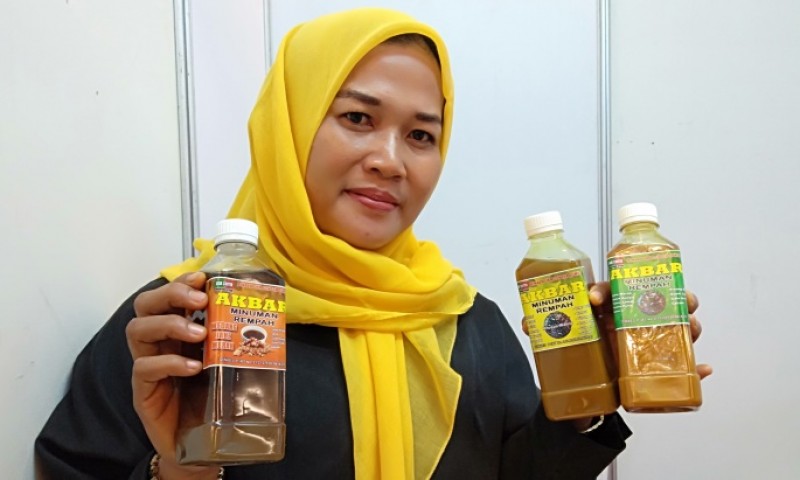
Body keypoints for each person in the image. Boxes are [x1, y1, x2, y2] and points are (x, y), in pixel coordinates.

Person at [35, 7, 710, 480]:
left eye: (420, 135)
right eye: (358, 118)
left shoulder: (464, 321)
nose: (390, 160)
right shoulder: (183, 323)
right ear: (288, 127)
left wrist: (590, 396)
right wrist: (181, 469)